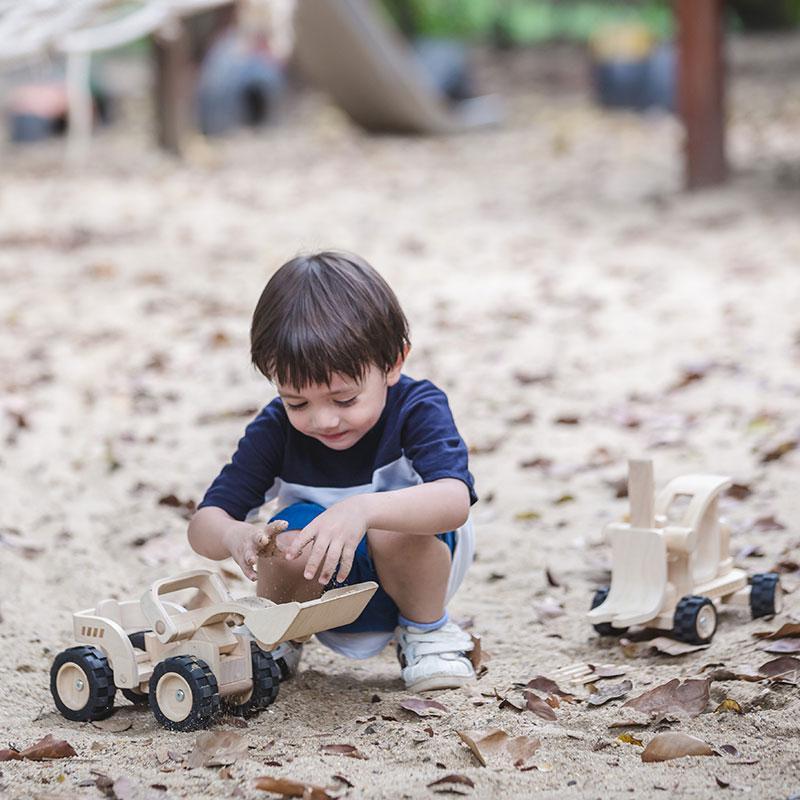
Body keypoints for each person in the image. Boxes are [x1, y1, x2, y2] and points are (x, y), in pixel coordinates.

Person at [188, 251, 477, 691]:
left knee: (393, 527)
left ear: (394, 362)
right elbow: (203, 524)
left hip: (414, 574)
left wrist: (362, 510)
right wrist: (235, 536)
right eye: (297, 402)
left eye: (344, 400)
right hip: (318, 586)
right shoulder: (276, 429)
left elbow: (454, 501)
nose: (323, 421)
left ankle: (427, 632)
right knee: (285, 537)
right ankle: (280, 638)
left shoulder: (417, 407)